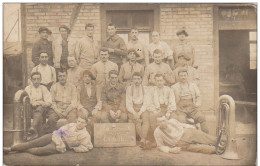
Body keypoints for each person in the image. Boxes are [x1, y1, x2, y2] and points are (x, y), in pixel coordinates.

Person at [4, 117, 93, 156]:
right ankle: (10, 149)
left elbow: (87, 147)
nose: (79, 124)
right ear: (76, 121)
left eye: (82, 122)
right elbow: (59, 131)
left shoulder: (85, 135)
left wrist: (74, 148)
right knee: (32, 143)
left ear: (85, 124)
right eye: (78, 121)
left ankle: (20, 150)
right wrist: (59, 137)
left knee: (40, 151)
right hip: (54, 137)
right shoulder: (71, 125)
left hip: (60, 145)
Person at [154, 116, 223, 154]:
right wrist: (170, 150)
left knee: (205, 137)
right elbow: (160, 146)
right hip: (181, 143)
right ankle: (219, 149)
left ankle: (223, 143)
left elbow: (182, 125)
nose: (162, 123)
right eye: (159, 122)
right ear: (157, 123)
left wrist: (192, 126)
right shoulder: (157, 132)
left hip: (187, 132)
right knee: (207, 149)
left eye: (163, 120)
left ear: (166, 119)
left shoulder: (172, 121)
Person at [171, 68, 209, 133]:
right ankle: (188, 137)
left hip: (192, 107)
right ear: (178, 77)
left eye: (184, 75)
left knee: (201, 117)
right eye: (181, 76)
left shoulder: (193, 85)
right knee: (181, 120)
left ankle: (206, 136)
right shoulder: (174, 87)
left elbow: (198, 96)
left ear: (187, 76)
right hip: (180, 108)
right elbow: (171, 99)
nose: (183, 77)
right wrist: (175, 108)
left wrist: (197, 104)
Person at [25, 72, 53, 140]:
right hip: (31, 110)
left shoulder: (43, 88)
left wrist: (39, 103)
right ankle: (36, 134)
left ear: (40, 80)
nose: (36, 81)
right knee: (38, 113)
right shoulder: (28, 89)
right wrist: (39, 102)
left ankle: (33, 127)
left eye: (38, 79)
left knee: (40, 108)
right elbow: (28, 101)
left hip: (42, 110)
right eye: (34, 79)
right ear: (31, 80)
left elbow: (49, 102)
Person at [126, 72, 150, 147]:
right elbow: (128, 103)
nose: (136, 81)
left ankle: (142, 139)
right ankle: (143, 139)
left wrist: (140, 112)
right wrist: (134, 112)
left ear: (141, 80)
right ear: (132, 80)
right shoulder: (129, 89)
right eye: (135, 79)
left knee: (146, 119)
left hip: (142, 108)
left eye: (138, 79)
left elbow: (146, 103)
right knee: (136, 120)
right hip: (132, 108)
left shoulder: (145, 88)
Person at [77, 70, 102, 136]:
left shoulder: (96, 87)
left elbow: (99, 100)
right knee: (82, 116)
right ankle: (83, 136)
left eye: (89, 77)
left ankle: (96, 137)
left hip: (93, 108)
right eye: (85, 77)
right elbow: (77, 101)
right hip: (84, 108)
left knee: (98, 116)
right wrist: (82, 109)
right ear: (83, 78)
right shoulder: (79, 87)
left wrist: (96, 109)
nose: (87, 78)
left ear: (91, 78)